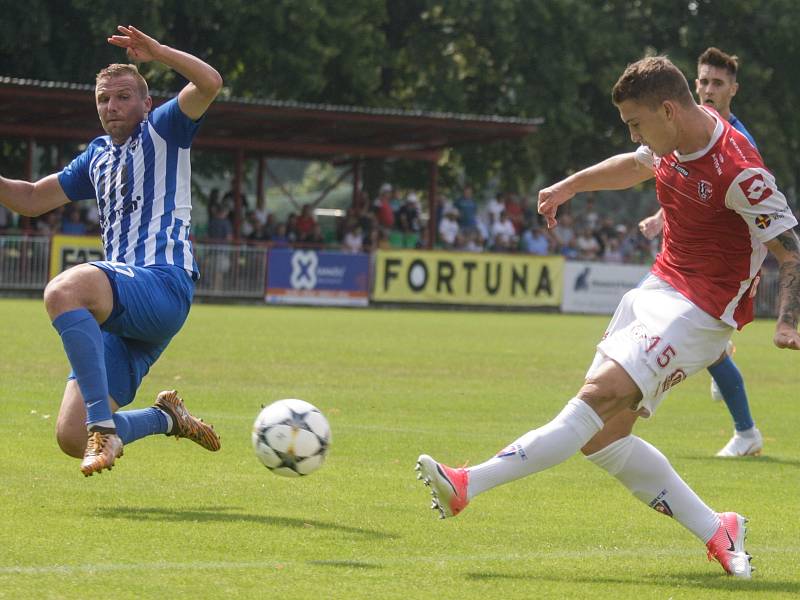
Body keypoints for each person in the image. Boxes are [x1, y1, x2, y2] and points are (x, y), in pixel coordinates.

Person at [416, 56, 800, 579]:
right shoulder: (669, 138)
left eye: (637, 123)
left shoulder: (739, 167)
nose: (634, 133)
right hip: (657, 290)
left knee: (594, 400)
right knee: (602, 439)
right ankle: (719, 528)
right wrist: (570, 185)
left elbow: (790, 251)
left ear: (667, 110)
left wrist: (788, 320)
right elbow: (636, 164)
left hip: (704, 312)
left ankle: (467, 484)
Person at [0, 25, 223, 476]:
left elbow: (210, 83)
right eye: (103, 99)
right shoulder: (98, 156)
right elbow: (28, 199)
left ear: (145, 103)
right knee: (69, 436)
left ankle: (104, 428)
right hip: (122, 308)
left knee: (64, 291)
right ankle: (166, 418)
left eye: (123, 97)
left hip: (162, 283)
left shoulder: (164, 129)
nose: (112, 107)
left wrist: (158, 53)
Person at [638, 47, 762, 457]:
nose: (708, 89)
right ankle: (746, 433)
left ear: (734, 90)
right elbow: (687, 181)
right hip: (686, 262)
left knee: (691, 342)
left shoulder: (739, 144)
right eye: (703, 81)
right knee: (701, 348)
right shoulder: (685, 129)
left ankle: (745, 432)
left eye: (718, 83)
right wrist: (661, 217)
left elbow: (739, 204)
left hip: (721, 269)